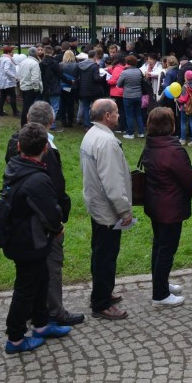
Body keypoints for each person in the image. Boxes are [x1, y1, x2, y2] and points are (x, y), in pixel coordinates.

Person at [5, 102, 83, 327]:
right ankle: (53, 310)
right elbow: (54, 188)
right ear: (51, 121)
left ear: (28, 117)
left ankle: (37, 310)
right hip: (40, 220)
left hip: (21, 217)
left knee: (33, 270)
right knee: (50, 265)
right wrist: (59, 220)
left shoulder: (16, 140)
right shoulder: (44, 149)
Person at [0, 122, 69, 354]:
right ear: (46, 149)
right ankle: (16, 337)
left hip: (26, 236)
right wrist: (57, 226)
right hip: (28, 240)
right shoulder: (38, 178)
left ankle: (41, 324)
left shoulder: (15, 166)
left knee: (41, 280)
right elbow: (50, 211)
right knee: (26, 287)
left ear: (19, 146)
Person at [80, 99, 133, 320]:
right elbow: (112, 181)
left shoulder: (91, 134)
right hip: (107, 209)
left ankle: (102, 293)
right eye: (117, 112)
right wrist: (124, 210)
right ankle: (101, 303)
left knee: (100, 252)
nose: (119, 116)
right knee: (106, 256)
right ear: (107, 115)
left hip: (96, 203)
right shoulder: (106, 142)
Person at [141, 107, 192, 307]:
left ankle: (161, 283)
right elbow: (189, 179)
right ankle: (160, 294)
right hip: (170, 206)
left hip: (156, 203)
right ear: (170, 125)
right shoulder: (172, 150)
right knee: (166, 249)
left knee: (159, 245)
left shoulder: (151, 144)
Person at [116, 56, 145, 139]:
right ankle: (141, 132)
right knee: (138, 114)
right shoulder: (139, 71)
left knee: (129, 115)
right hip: (138, 95)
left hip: (128, 96)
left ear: (127, 63)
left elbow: (119, 84)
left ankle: (130, 133)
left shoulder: (124, 73)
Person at [40, 45, 66, 130]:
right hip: (54, 87)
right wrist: (69, 81)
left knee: (46, 108)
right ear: (52, 52)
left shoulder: (41, 63)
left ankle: (45, 124)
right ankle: (52, 125)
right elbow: (60, 74)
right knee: (54, 108)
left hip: (44, 87)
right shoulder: (54, 63)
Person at [77, 50, 106, 128]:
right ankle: (93, 123)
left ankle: (87, 124)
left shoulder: (80, 65)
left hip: (83, 89)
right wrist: (103, 77)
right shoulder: (94, 66)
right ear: (95, 56)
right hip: (93, 90)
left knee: (86, 107)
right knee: (94, 107)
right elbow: (96, 79)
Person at [177, 70, 192, 146]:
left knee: (183, 122)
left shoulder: (185, 86)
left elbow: (183, 99)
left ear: (186, 77)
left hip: (185, 107)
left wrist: (177, 99)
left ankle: (183, 139)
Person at [0, 46, 20, 117]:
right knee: (13, 96)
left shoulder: (1, 59)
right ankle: (15, 112)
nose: (13, 53)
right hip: (8, 82)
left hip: (2, 81)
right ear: (8, 52)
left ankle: (0, 111)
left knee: (3, 96)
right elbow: (6, 70)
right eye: (12, 52)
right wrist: (15, 76)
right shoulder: (8, 60)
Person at [59, 49, 78, 128]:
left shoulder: (60, 64)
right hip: (72, 86)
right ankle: (70, 121)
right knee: (71, 104)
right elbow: (77, 76)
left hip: (63, 86)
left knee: (63, 104)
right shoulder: (76, 65)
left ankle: (63, 120)